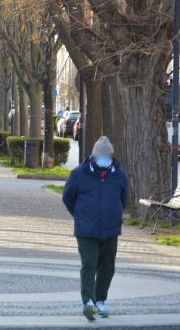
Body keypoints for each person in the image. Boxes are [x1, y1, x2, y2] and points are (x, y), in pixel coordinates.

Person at [62, 136, 129, 321]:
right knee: (89, 263)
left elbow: (124, 199)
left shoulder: (119, 174)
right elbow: (67, 198)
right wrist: (81, 215)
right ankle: (88, 302)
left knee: (107, 266)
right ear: (94, 154)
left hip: (110, 228)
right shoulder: (79, 174)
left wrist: (113, 214)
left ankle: (100, 300)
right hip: (86, 230)